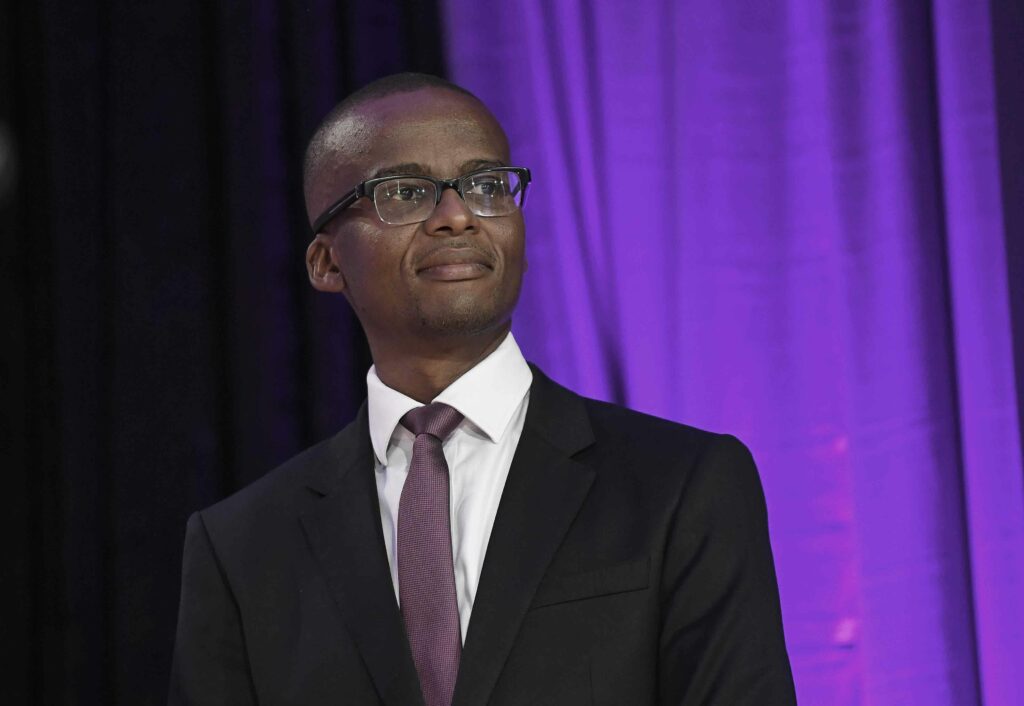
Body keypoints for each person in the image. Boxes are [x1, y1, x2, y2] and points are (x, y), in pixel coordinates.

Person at [168, 72, 797, 706]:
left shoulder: (682, 484)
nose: (457, 215)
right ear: (327, 263)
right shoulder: (241, 548)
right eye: (406, 192)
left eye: (487, 185)